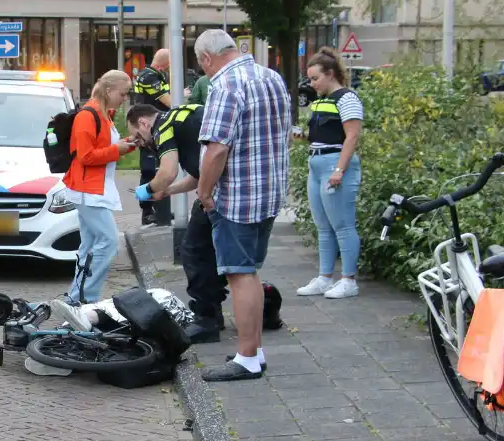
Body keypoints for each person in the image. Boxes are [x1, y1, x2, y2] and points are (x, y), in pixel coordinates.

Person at [126, 103, 285, 343]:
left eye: (139, 136)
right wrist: (168, 191)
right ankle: (266, 302)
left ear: (144, 123)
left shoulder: (163, 125)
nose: (143, 142)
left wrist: (147, 191)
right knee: (224, 257)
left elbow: (167, 171)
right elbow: (198, 173)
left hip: (219, 192)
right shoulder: (187, 114)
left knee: (196, 251)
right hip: (231, 186)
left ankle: (207, 319)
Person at [193, 28, 292, 382]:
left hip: (237, 196)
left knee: (239, 273)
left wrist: (204, 193)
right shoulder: (271, 77)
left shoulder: (226, 86)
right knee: (249, 269)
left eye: (200, 64)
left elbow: (217, 148)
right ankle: (255, 348)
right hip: (268, 192)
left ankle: (247, 357)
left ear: (207, 57)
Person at [54, 69, 138, 312]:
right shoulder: (88, 116)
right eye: (123, 94)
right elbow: (86, 156)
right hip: (87, 190)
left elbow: (104, 148)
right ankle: (86, 297)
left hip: (92, 189)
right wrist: (119, 149)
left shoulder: (102, 115)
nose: (125, 98)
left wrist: (127, 146)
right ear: (109, 90)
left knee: (90, 245)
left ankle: (76, 297)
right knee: (108, 242)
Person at [295, 47, 365, 300]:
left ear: (331, 74)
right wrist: (301, 136)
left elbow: (352, 135)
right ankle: (325, 278)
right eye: (310, 79)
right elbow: (321, 136)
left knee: (343, 226)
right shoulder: (321, 101)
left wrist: (339, 170)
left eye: (315, 78)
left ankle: (348, 280)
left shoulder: (347, 98)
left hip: (335, 164)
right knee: (323, 227)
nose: (312, 84)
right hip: (317, 164)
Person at [132, 49, 173, 227]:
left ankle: (158, 209)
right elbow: (169, 102)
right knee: (150, 170)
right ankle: (148, 212)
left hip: (151, 125)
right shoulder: (149, 77)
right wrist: (180, 98)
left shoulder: (151, 74)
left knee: (156, 167)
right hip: (150, 128)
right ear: (165, 63)